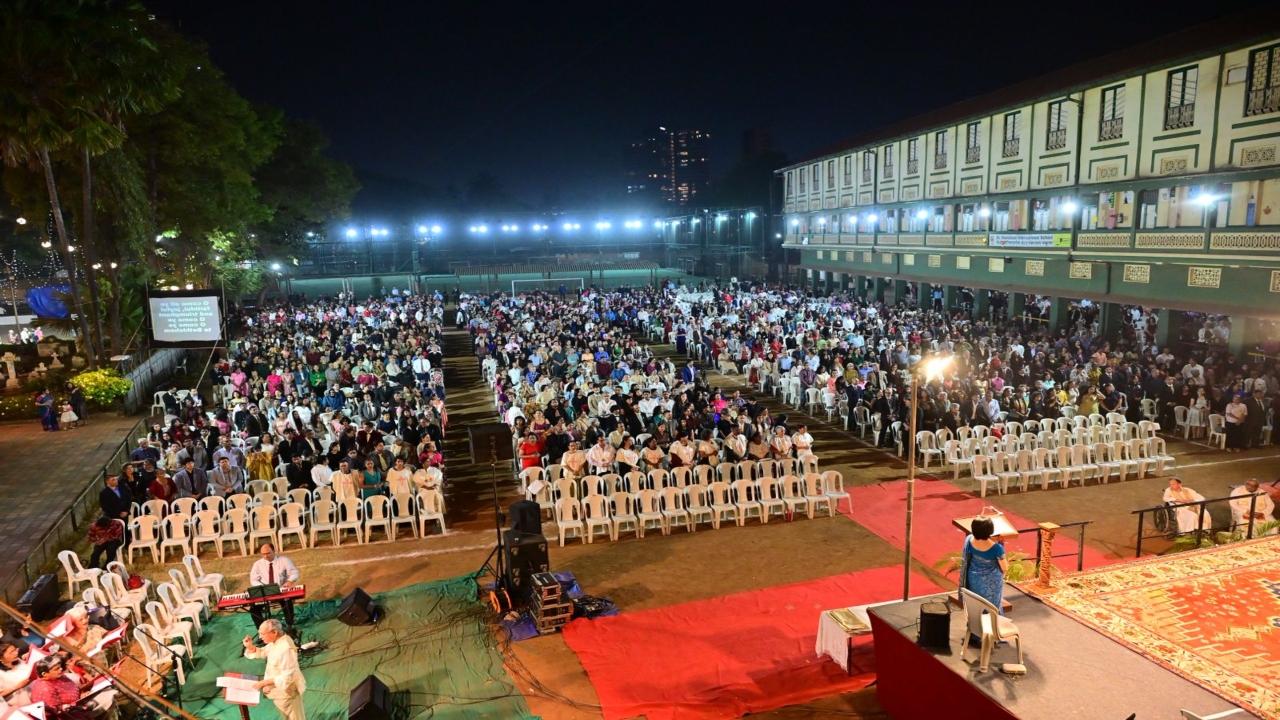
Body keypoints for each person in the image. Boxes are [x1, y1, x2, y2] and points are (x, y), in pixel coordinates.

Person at [242, 619, 306, 720]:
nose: (260, 637)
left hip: (288, 693)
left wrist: (264, 683)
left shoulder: (285, 648)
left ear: (274, 632)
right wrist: (250, 647)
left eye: (262, 634)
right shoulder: (276, 642)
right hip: (279, 693)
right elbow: (263, 652)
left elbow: (288, 677)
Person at [961, 517, 1008, 614]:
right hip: (991, 583)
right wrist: (1001, 544)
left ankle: (976, 624)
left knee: (977, 603)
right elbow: (1005, 568)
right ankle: (992, 625)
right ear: (990, 530)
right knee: (991, 607)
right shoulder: (996, 548)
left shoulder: (969, 540)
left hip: (973, 578)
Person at [249, 543, 300, 627]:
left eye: (268, 553)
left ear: (274, 551)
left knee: (287, 602)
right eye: (263, 554)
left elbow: (294, 573)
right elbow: (253, 580)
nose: (265, 556)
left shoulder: (284, 560)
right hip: (265, 592)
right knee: (254, 608)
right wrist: (262, 587)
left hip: (281, 590)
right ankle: (262, 630)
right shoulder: (257, 564)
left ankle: (290, 625)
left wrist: (290, 581)